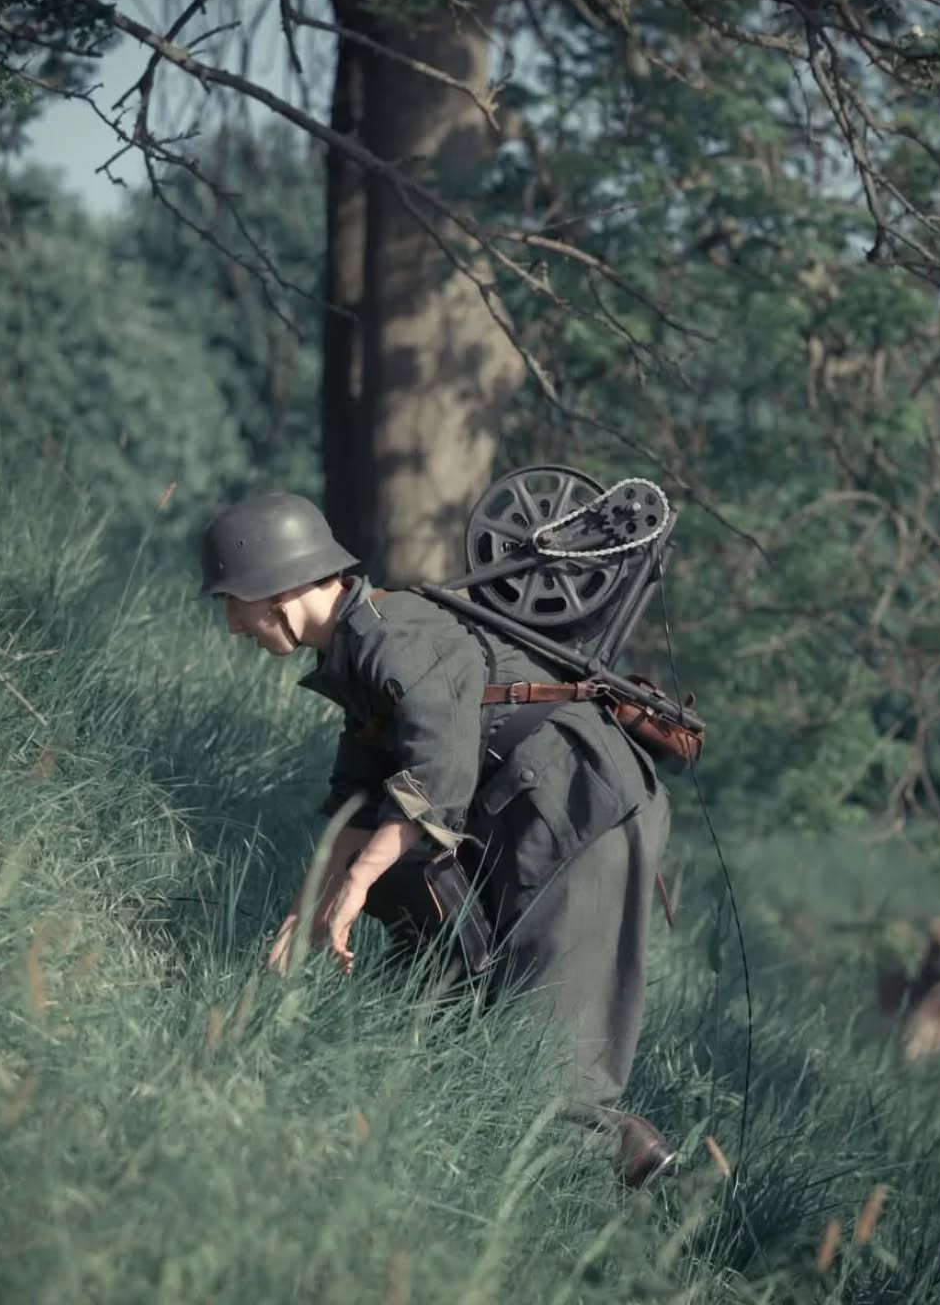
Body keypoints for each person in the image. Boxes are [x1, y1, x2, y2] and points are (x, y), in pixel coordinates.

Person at [198, 489, 676, 1187]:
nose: (233, 626)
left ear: (270, 587)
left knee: (552, 1060)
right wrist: (311, 909)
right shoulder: (359, 652)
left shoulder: (395, 636)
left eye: (230, 604)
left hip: (588, 811)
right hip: (542, 812)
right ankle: (615, 1165)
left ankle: (633, 1200)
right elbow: (354, 806)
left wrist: (357, 883)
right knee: (501, 1031)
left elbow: (435, 778)